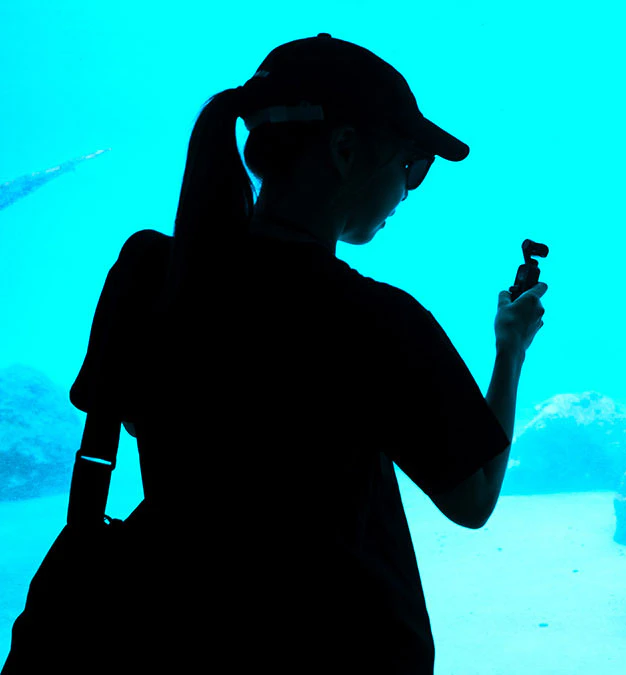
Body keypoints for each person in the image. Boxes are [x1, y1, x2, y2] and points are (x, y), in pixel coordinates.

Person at [36, 33, 545, 673]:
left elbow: (151, 424)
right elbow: (473, 501)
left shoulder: (150, 271)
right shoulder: (377, 320)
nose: (408, 191)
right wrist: (511, 350)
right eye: (410, 166)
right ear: (345, 149)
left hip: (160, 640)